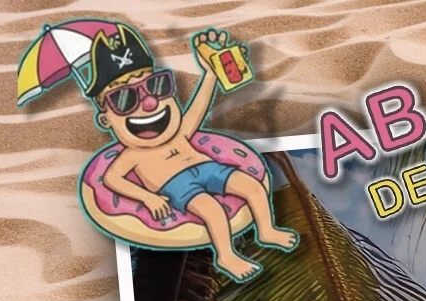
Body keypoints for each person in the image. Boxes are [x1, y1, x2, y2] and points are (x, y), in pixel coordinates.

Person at [85, 25, 298, 281]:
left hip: (209, 167)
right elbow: (112, 179)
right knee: (212, 210)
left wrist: (210, 73)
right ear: (106, 120)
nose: (149, 103)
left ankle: (267, 230)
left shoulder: (180, 132)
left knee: (252, 187)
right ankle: (226, 256)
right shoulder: (132, 155)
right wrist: (148, 197)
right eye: (124, 99)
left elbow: (198, 108)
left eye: (156, 85)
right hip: (177, 185)